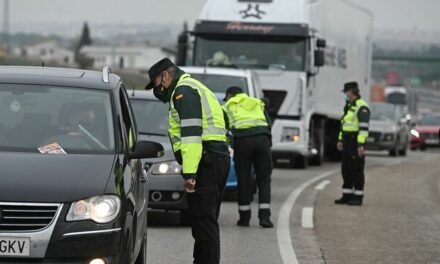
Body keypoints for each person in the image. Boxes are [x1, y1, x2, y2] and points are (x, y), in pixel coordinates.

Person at [145, 58, 230, 264]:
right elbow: (224, 119)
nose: (157, 89)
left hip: (205, 161)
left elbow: (192, 136)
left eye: (157, 83)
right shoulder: (195, 87)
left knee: (204, 222)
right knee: (203, 221)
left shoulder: (184, 91)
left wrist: (190, 173)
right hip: (215, 159)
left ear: (166, 75)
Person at [223, 86, 274, 228]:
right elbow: (268, 124)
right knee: (264, 180)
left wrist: (231, 144)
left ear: (230, 96)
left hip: (242, 142)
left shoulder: (228, 106)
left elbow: (224, 129)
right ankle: (265, 218)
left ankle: (244, 219)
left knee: (244, 180)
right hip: (262, 141)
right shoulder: (257, 102)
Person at [335, 81, 370, 206]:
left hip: (355, 142)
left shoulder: (362, 107)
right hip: (347, 140)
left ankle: (358, 196)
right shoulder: (349, 106)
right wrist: (340, 140)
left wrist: (361, 145)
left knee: (357, 170)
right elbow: (344, 125)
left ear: (351, 92)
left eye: (346, 92)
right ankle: (347, 194)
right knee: (346, 169)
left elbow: (363, 128)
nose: (345, 94)